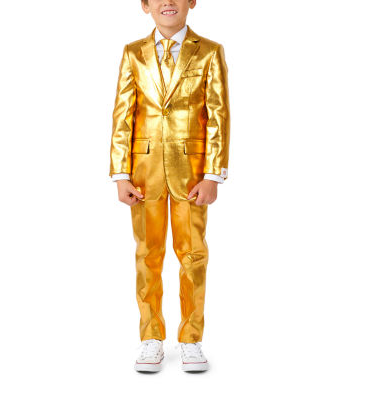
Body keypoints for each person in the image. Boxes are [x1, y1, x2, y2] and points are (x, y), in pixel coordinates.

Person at [109, 0, 230, 372]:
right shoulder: (133, 53)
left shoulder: (209, 52)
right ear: (145, 5)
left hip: (191, 175)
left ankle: (191, 338)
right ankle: (151, 336)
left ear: (192, 1)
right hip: (143, 175)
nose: (168, 2)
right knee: (147, 254)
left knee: (193, 255)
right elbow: (123, 116)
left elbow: (218, 115)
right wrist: (120, 174)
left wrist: (213, 174)